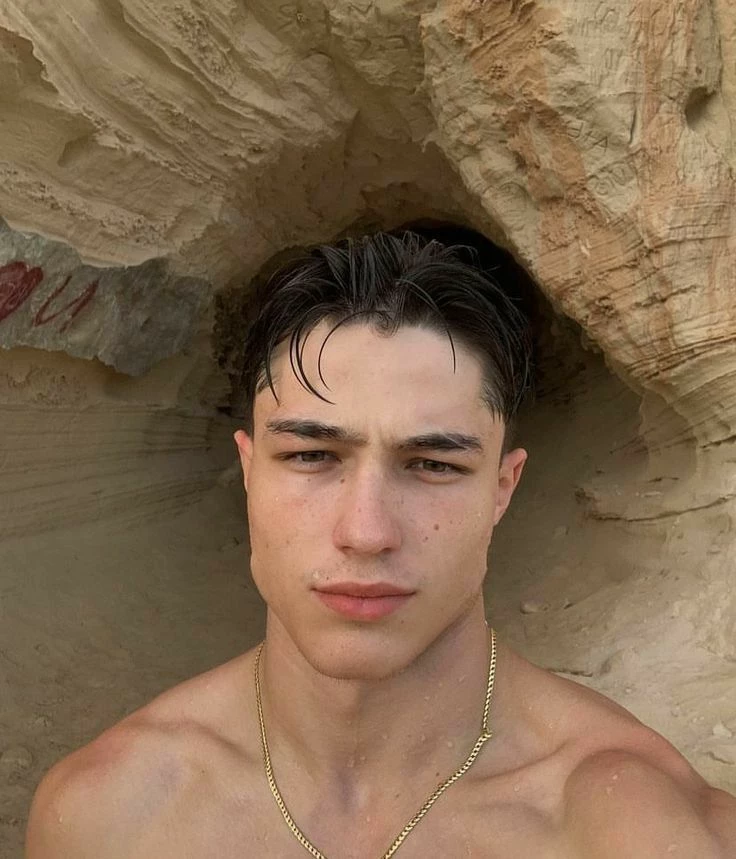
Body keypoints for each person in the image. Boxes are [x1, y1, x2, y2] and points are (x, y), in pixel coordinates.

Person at [26, 232, 736, 858]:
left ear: (502, 488)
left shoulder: (645, 832)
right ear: (248, 471)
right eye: (311, 456)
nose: (365, 532)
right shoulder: (105, 816)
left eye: (432, 464)